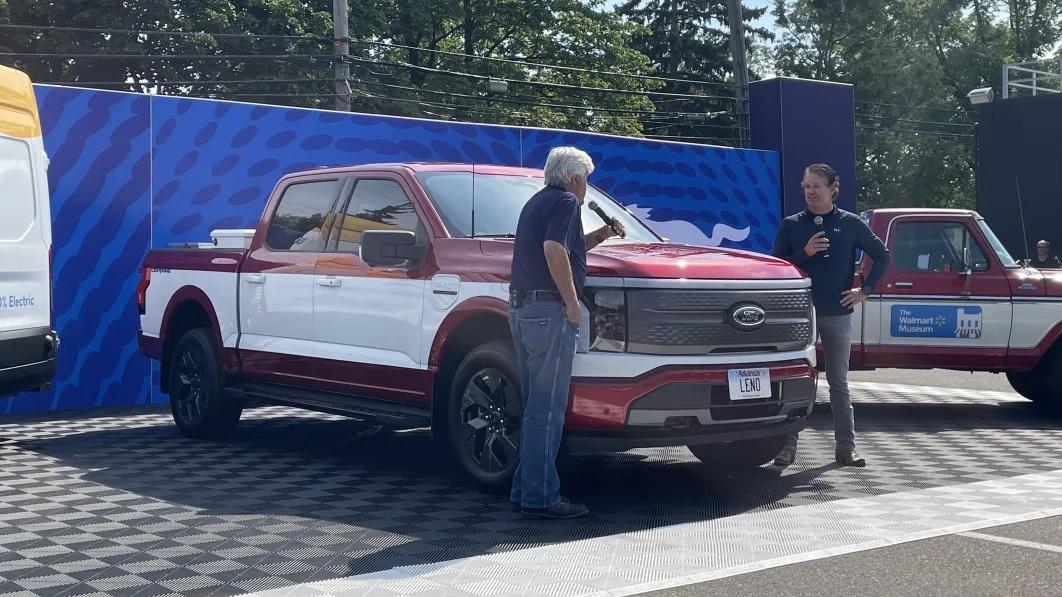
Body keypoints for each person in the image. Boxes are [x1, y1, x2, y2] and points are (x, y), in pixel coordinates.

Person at [508, 147, 624, 519]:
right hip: (550, 313)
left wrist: (603, 234)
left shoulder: (537, 203)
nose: (587, 188)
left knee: (533, 409)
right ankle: (541, 498)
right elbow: (554, 250)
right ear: (575, 178)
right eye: (586, 180)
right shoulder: (566, 203)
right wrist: (571, 303)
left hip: (524, 310)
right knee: (548, 410)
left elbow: (568, 248)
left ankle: (525, 490)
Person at [770, 163, 891, 468]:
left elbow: (882, 255)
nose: (810, 192)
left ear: (833, 188)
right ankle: (786, 448)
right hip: (800, 314)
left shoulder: (849, 223)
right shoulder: (791, 224)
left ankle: (846, 448)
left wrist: (865, 290)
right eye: (806, 186)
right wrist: (805, 254)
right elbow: (775, 266)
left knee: (838, 381)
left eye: (816, 186)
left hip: (837, 313)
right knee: (798, 381)